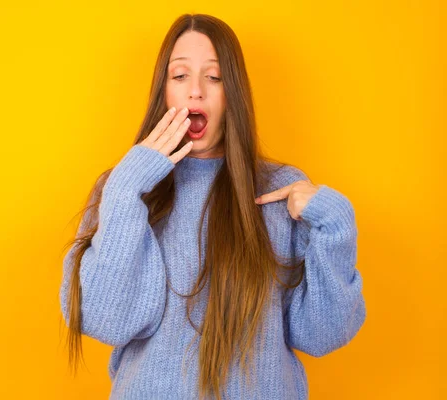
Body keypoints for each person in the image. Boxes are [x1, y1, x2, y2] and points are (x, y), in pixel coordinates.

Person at [59, 13, 366, 400]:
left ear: (232, 92)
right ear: (163, 92)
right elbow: (107, 321)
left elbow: (322, 334)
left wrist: (337, 227)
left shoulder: (280, 191)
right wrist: (124, 190)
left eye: (215, 77)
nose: (196, 92)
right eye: (180, 76)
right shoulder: (124, 190)